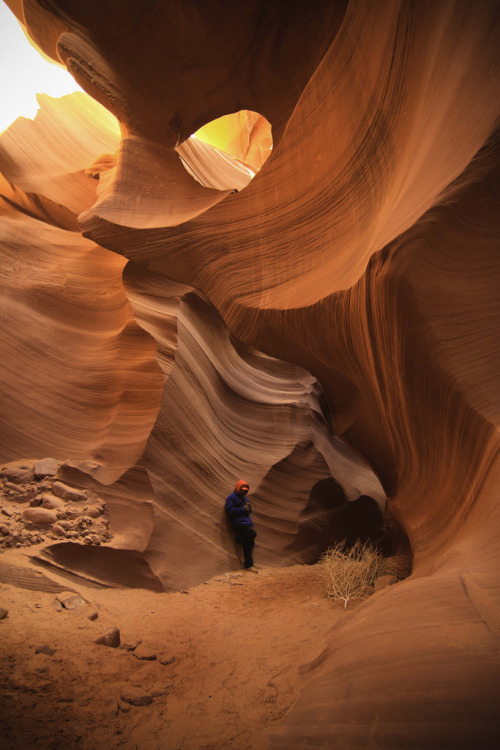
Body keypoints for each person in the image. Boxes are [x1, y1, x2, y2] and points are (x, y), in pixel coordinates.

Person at [225, 480, 258, 571]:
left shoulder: (245, 499)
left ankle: (248, 565)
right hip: (239, 523)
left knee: (250, 544)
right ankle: (238, 539)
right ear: (237, 488)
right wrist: (242, 509)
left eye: (245, 490)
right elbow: (229, 510)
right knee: (253, 534)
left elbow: (249, 511)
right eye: (242, 489)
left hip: (247, 523)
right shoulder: (231, 498)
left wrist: (248, 508)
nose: (243, 491)